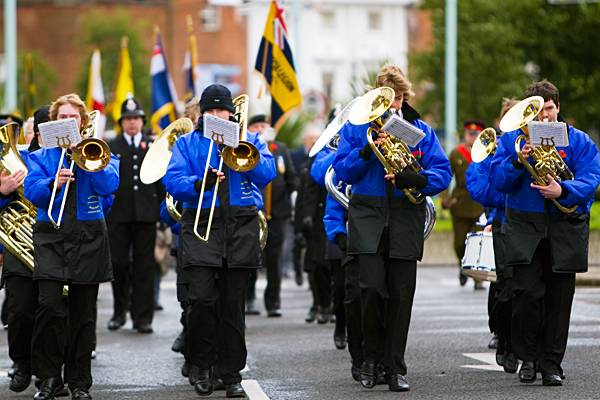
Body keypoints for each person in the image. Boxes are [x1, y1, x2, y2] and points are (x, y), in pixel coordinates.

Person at [333, 64, 451, 392]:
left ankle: (395, 366)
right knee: (369, 290)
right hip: (368, 214)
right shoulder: (358, 129)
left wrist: (416, 179)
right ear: (376, 98)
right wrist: (368, 152)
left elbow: (442, 172)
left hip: (404, 214)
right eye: (388, 98)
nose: (395, 105)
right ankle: (370, 359)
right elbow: (343, 170)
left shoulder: (420, 130)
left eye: (399, 97)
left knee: (401, 296)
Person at [163, 84, 276, 398]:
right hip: (201, 222)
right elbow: (172, 180)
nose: (216, 115)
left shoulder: (249, 140)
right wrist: (202, 182)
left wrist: (241, 145)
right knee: (200, 300)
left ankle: (230, 373)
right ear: (202, 114)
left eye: (221, 110)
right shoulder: (187, 144)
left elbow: (267, 175)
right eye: (210, 111)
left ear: (231, 112)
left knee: (232, 305)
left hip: (239, 224)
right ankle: (201, 366)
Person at [490, 80, 600, 386]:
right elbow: (497, 181)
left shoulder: (577, 140)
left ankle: (551, 363)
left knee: (559, 297)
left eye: (549, 109)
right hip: (525, 224)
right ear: (529, 112)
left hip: (564, 225)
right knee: (526, 294)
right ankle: (529, 357)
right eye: (538, 111)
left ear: (558, 108)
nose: (545, 116)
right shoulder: (513, 139)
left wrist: (562, 188)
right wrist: (516, 159)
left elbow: (592, 177)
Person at [24, 93, 119, 400]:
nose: (68, 121)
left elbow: (110, 186)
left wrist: (87, 160)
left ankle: (79, 382)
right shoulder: (41, 155)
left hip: (88, 236)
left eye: (73, 118)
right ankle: (50, 377)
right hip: (51, 235)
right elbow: (31, 190)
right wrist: (54, 183)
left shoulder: (98, 150)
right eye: (62, 117)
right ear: (54, 122)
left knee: (83, 315)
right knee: (50, 306)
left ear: (82, 122)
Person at [0, 106, 49, 394]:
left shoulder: (69, 158)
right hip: (20, 249)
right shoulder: (14, 159)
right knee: (18, 310)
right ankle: (21, 363)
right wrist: (3, 191)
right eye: (38, 130)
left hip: (57, 245)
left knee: (52, 312)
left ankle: (49, 371)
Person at [106, 97, 164, 334]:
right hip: (118, 215)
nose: (132, 123)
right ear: (122, 122)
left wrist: (162, 213)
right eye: (128, 119)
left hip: (146, 215)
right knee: (118, 264)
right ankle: (120, 311)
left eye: (136, 119)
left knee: (145, 266)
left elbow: (160, 182)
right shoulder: (112, 146)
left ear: (142, 121)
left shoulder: (153, 146)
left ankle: (143, 317)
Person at [245, 114, 298, 317]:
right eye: (256, 125)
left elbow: (291, 178)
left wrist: (290, 198)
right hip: (253, 213)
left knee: (275, 260)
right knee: (250, 257)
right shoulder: (246, 147)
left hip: (277, 214)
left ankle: (273, 301)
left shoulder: (280, 149)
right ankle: (249, 299)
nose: (260, 129)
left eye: (263, 125)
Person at [442, 120, 485, 288]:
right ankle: (463, 264)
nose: (472, 137)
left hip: (480, 203)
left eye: (476, 134)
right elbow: (446, 175)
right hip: (460, 203)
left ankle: (477, 278)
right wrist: (445, 199)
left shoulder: (484, 153)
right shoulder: (456, 153)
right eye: (470, 133)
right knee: (460, 244)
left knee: (478, 243)